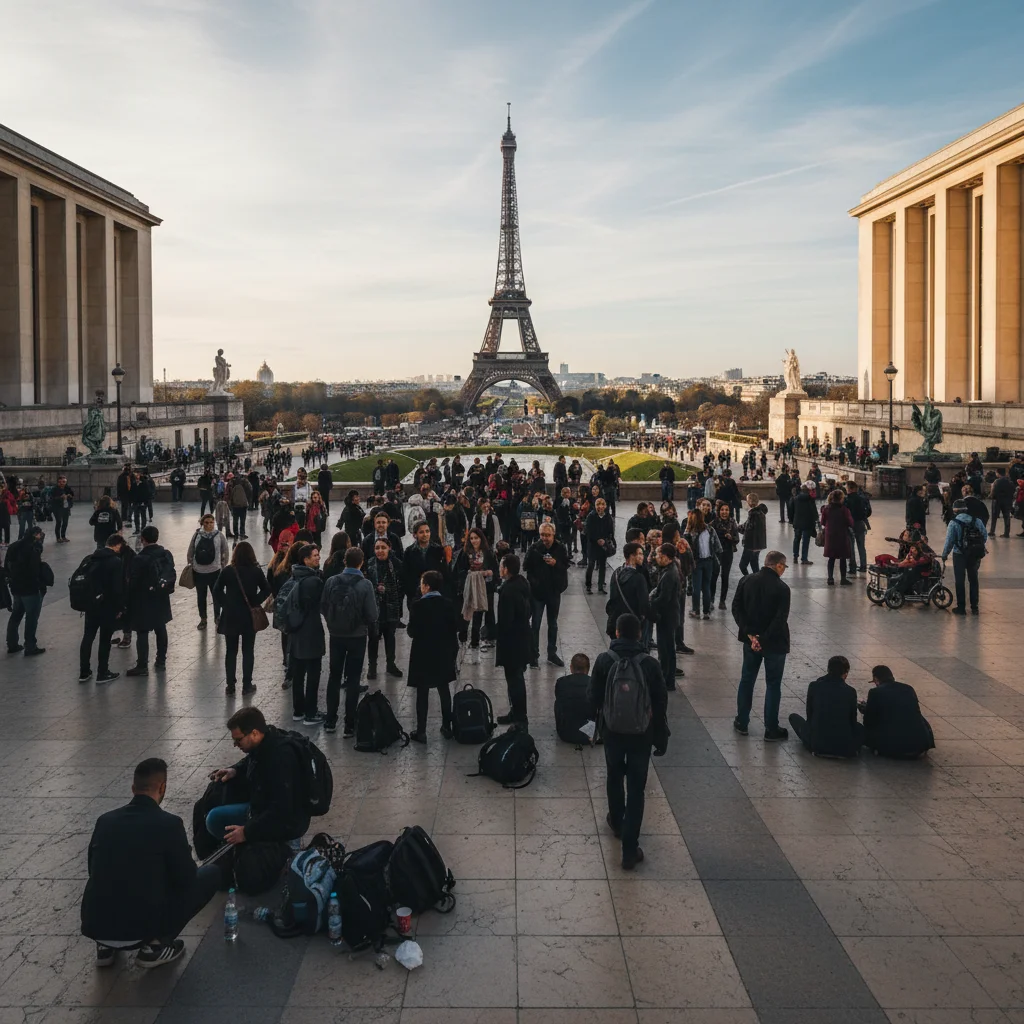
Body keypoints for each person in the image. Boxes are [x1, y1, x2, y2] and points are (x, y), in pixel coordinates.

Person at [81, 758, 220, 970]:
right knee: (209, 874)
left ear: (133, 788)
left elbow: (94, 869)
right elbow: (186, 879)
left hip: (97, 925)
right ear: (162, 787)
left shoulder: (105, 820)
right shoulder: (170, 824)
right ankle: (155, 947)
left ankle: (105, 948)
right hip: (141, 928)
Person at [590, 613, 669, 870]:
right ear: (639, 634)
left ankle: (616, 820)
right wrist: (660, 735)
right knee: (636, 788)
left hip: (612, 732)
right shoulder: (649, 664)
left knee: (614, 777)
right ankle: (629, 849)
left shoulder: (604, 660)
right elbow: (660, 702)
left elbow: (593, 699)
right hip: (641, 734)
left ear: (616, 633)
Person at [205, 706, 313, 847]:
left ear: (254, 733)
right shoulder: (266, 740)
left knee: (215, 820)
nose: (235, 745)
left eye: (238, 740)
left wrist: (246, 832)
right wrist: (235, 770)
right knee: (214, 814)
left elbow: (282, 810)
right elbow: (251, 759)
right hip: (262, 807)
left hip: (284, 824)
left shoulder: (280, 758)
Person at [731, 549, 790, 740]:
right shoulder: (782, 589)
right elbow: (780, 619)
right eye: (784, 567)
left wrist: (750, 635)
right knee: (773, 684)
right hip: (774, 643)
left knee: (747, 679)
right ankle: (771, 728)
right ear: (779, 565)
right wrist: (763, 639)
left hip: (750, 642)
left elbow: (736, 608)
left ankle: (742, 721)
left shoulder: (746, 580)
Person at [321, 547, 378, 736]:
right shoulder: (366, 585)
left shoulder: (331, 581)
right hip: (357, 637)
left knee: (334, 677)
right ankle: (350, 724)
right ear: (361, 563)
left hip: (336, 635)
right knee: (353, 679)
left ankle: (330, 720)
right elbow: (372, 615)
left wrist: (333, 622)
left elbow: (324, 606)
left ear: (344, 562)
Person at [406, 569, 461, 743]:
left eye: (422, 584)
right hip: (443, 652)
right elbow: (454, 628)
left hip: (423, 654)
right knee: (443, 689)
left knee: (422, 692)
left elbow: (412, 631)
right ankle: (447, 726)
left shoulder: (417, 606)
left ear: (427, 586)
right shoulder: (448, 604)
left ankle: (421, 730)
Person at [212, 541, 270, 696]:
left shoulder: (229, 571)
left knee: (231, 651)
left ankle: (230, 685)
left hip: (231, 615)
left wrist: (226, 603)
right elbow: (267, 588)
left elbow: (216, 590)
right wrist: (255, 601)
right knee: (248, 650)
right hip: (248, 615)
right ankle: (247, 685)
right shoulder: (256, 571)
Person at [284, 542, 327, 723]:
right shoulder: (314, 581)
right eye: (315, 556)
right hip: (311, 631)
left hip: (295, 633)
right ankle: (311, 712)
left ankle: (298, 710)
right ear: (305, 559)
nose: (318, 558)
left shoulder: (293, 577)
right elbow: (323, 605)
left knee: (298, 673)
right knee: (313, 673)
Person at [788, 655, 863, 757]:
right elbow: (852, 721)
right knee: (860, 728)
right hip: (845, 746)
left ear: (828, 669)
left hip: (818, 744)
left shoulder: (814, 686)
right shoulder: (850, 691)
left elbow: (810, 715)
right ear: (845, 673)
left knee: (794, 718)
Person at [126, 526, 175, 676]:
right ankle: (161, 660)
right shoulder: (166, 554)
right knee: (161, 628)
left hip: (143, 600)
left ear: (143, 539)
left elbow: (133, 582)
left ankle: (142, 665)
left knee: (142, 632)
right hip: (161, 597)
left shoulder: (140, 558)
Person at [861, 665, 935, 759]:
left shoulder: (874, 692)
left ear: (876, 679)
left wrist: (866, 710)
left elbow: (868, 722)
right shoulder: (908, 689)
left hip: (892, 747)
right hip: (919, 746)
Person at [78, 535, 125, 684]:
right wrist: (120, 607)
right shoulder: (115, 562)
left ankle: (84, 672)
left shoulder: (91, 558)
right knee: (105, 640)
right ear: (117, 545)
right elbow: (117, 588)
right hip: (107, 606)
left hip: (91, 605)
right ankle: (102, 672)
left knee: (88, 637)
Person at [524, 523, 570, 668]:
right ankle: (534, 654)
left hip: (554, 592)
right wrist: (534, 582)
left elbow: (566, 565)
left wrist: (556, 563)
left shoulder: (560, 548)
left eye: (548, 535)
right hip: (537, 593)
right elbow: (526, 567)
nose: (545, 538)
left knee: (553, 624)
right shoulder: (534, 548)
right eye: (543, 535)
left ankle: (552, 653)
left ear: (553, 535)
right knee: (535, 624)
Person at [495, 552, 532, 728]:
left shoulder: (508, 591)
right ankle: (516, 712)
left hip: (512, 643)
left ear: (506, 569)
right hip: (523, 637)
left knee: (515, 680)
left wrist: (494, 632)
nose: (499, 569)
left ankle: (520, 717)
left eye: (501, 565)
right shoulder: (522, 584)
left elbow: (505, 621)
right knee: (515, 679)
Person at [5, 524, 52, 656]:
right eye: (39, 534)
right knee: (31, 617)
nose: (41, 536)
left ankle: (12, 643)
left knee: (16, 615)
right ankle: (30, 646)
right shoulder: (33, 548)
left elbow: (7, 566)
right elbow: (34, 570)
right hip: (30, 588)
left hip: (16, 587)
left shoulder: (14, 546)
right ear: (34, 535)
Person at [364, 536, 404, 679]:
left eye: (383, 547)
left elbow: (401, 586)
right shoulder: (369, 564)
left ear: (389, 548)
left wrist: (389, 591)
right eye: (377, 548)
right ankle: (372, 666)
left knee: (390, 638)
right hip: (375, 609)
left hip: (391, 607)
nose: (380, 551)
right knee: (373, 639)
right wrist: (376, 589)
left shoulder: (397, 564)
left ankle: (390, 664)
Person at [453, 527, 498, 651]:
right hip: (469, 586)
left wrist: (489, 575)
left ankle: (476, 640)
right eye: (471, 538)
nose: (474, 541)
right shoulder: (465, 552)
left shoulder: (488, 553)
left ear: (481, 539)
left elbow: (495, 569)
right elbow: (459, 570)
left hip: (485, 587)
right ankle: (464, 636)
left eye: (476, 538)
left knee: (480, 612)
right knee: (467, 610)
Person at [941, 498, 988, 616]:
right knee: (973, 579)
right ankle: (974, 607)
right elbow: (984, 536)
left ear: (955, 510)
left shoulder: (953, 523)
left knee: (960, 580)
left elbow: (949, 541)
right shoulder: (977, 521)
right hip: (974, 554)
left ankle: (961, 607)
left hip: (959, 554)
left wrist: (945, 554)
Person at [187, 513, 229, 630]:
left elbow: (225, 550)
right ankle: (203, 619)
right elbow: (191, 549)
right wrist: (191, 563)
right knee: (201, 596)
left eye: (211, 522)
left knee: (216, 596)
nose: (209, 525)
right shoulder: (197, 535)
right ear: (202, 523)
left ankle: (217, 617)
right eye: (206, 522)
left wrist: (222, 565)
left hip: (215, 570)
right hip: (199, 571)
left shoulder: (219, 535)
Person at [648, 542, 682, 687]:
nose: (656, 557)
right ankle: (668, 678)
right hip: (669, 615)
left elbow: (664, 598)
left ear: (666, 557)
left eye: (658, 554)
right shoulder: (668, 569)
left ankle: (667, 679)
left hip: (667, 616)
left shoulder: (669, 574)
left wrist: (651, 602)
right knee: (667, 648)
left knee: (666, 649)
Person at [605, 541, 650, 640]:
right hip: (632, 623)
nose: (643, 557)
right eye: (640, 554)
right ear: (632, 556)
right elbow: (644, 604)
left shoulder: (616, 573)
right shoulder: (639, 578)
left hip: (615, 622)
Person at [684, 509, 722, 618]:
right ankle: (706, 612)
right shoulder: (710, 529)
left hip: (697, 562)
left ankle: (696, 610)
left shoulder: (690, 532)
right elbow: (718, 547)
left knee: (696, 587)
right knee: (706, 586)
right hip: (709, 561)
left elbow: (685, 547)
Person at [402, 521, 449, 606]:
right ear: (415, 535)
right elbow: (405, 575)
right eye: (421, 532)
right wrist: (412, 593)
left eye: (427, 531)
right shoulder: (409, 552)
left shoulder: (438, 550)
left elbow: (444, 572)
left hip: (436, 594)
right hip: (416, 595)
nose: (425, 534)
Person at [820, 489, 854, 586]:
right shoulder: (844, 510)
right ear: (841, 499)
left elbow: (822, 522)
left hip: (830, 535)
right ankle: (843, 579)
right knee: (842, 558)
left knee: (831, 558)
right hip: (842, 535)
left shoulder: (826, 509)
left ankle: (830, 578)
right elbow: (850, 523)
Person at [710, 502, 739, 609]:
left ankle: (722, 600)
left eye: (726, 510)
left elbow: (737, 539)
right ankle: (711, 599)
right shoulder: (714, 523)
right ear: (719, 511)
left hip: (728, 552)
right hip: (717, 552)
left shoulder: (732, 522)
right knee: (714, 576)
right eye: (722, 510)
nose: (724, 512)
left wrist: (731, 537)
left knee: (725, 576)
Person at [584, 496, 614, 594]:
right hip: (593, 544)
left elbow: (610, 530)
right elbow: (588, 531)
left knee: (602, 565)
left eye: (602, 505)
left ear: (605, 506)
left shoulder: (608, 517)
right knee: (591, 565)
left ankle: (600, 586)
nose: (600, 507)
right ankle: (588, 585)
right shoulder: (591, 516)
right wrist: (597, 539)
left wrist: (605, 540)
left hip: (603, 544)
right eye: (598, 505)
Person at [844, 480, 872, 575]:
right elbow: (869, 511)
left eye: (846, 488)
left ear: (850, 489)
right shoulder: (863, 498)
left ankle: (852, 567)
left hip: (850, 524)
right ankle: (863, 566)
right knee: (861, 547)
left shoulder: (846, 499)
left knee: (850, 547)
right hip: (860, 523)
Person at [737, 493, 767, 575]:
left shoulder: (753, 514)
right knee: (754, 564)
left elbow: (748, 529)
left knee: (742, 566)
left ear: (749, 502)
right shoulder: (760, 513)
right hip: (758, 544)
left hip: (751, 545)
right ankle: (757, 581)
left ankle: (750, 580)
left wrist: (737, 528)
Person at [990, 467, 1014, 538]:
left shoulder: (996, 482)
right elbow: (1013, 491)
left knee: (994, 517)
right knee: (1006, 517)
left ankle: (992, 531)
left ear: (998, 473)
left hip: (997, 501)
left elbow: (993, 494)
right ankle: (1006, 533)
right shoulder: (1010, 482)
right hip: (1007, 501)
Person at [49, 475, 74, 543]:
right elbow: (51, 498)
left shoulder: (67, 488)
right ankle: (58, 537)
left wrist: (69, 496)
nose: (63, 483)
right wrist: (60, 497)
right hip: (57, 508)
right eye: (61, 482)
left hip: (66, 507)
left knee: (65, 522)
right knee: (59, 522)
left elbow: (72, 495)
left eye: (64, 482)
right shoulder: (54, 489)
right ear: (58, 482)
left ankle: (63, 536)